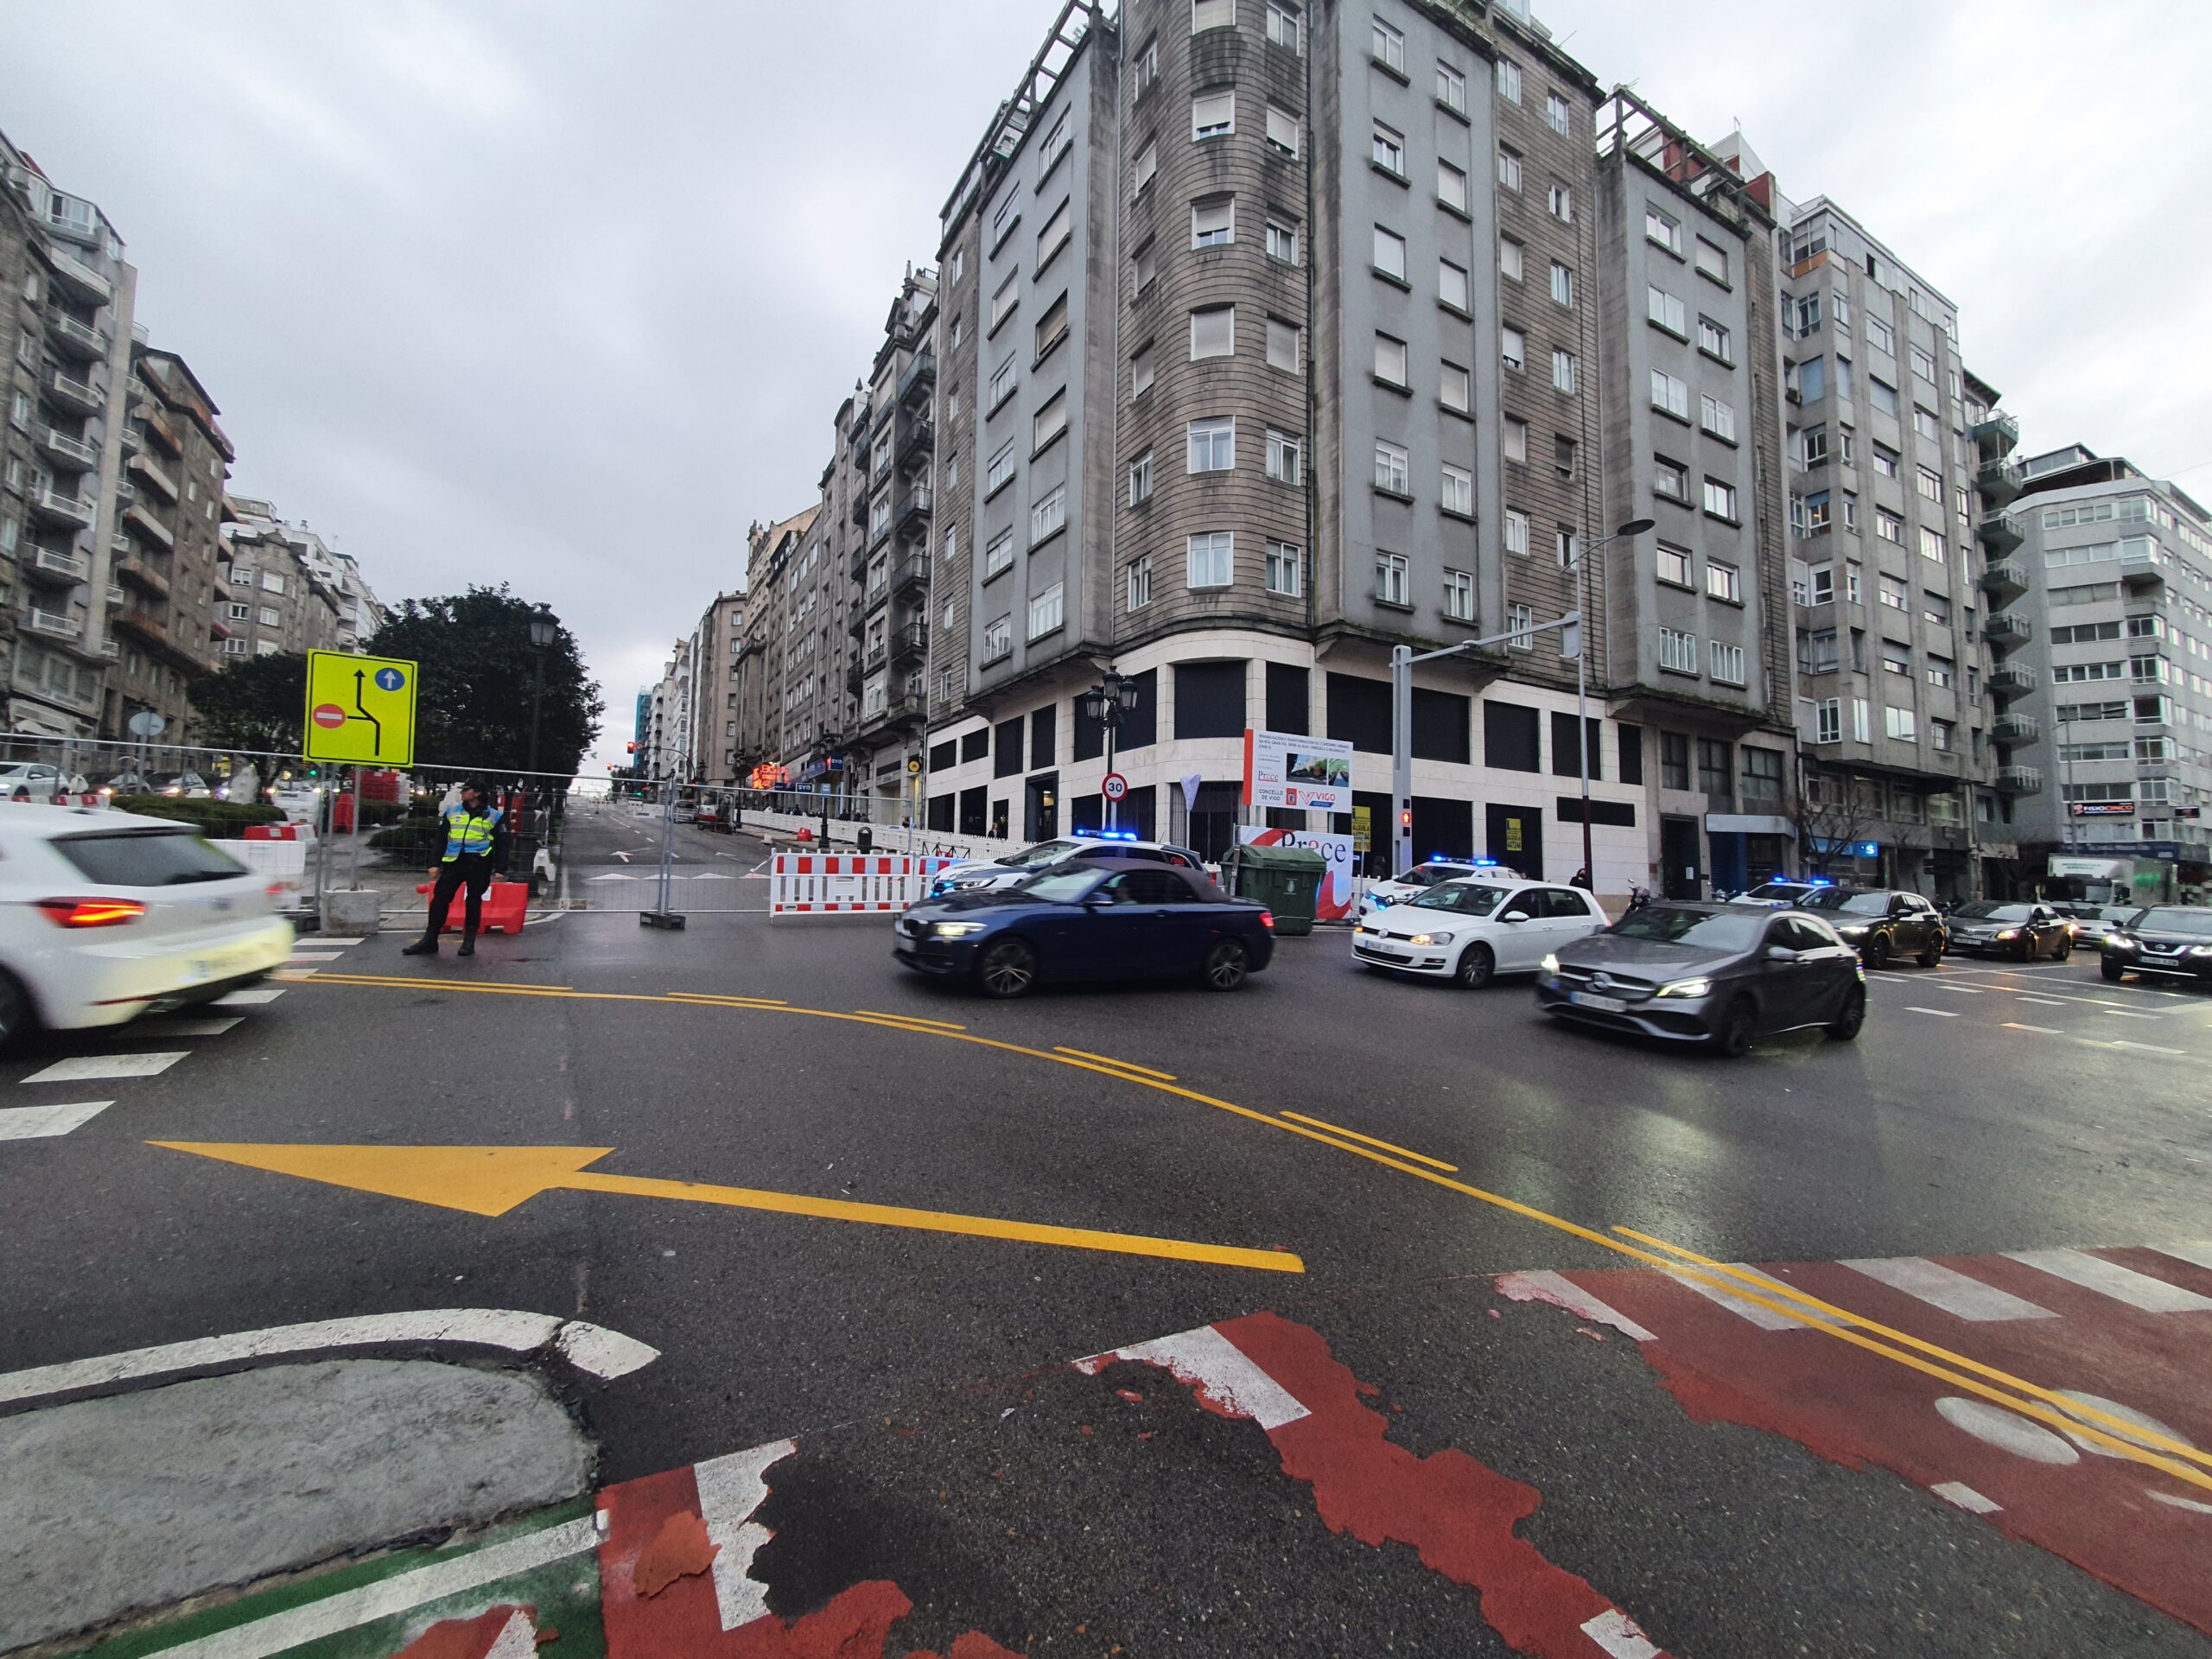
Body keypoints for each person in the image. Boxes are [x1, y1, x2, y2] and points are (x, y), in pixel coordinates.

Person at [404, 779, 502, 958]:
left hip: (479, 863)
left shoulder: (494, 816)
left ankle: (468, 942)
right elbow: (441, 839)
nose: (462, 793)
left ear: (477, 793)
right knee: (439, 900)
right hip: (454, 862)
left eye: (466, 790)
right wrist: (434, 863)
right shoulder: (452, 812)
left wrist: (501, 868)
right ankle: (430, 939)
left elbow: (503, 844)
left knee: (473, 901)